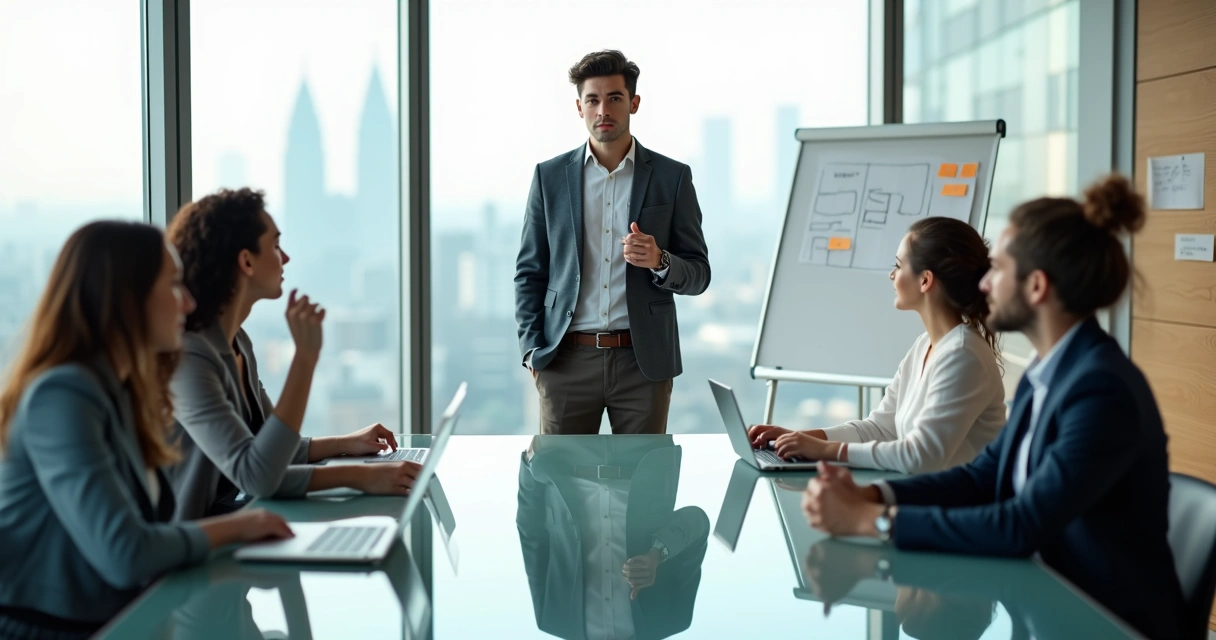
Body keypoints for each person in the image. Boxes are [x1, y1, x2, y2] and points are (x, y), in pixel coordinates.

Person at [799, 175, 1185, 640]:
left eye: (997, 269)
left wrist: (872, 521)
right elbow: (983, 477)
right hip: (1046, 609)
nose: (983, 282)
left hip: (1104, 624)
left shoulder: (1101, 391)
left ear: (1036, 286)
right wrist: (875, 495)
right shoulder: (1050, 372)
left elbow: (1021, 525)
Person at [0, 221, 292, 638]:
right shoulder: (62, 396)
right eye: (173, 285)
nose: (188, 303)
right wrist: (241, 526)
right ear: (125, 300)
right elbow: (126, 553)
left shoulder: (118, 389)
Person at [166, 188, 420, 521]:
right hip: (189, 542)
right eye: (275, 246)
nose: (285, 258)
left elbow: (270, 450)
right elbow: (257, 473)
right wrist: (305, 357)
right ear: (246, 261)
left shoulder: (238, 341)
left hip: (230, 522)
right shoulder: (189, 357)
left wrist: (346, 444)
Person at [515, 49, 711, 435]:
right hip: (565, 362)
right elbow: (529, 272)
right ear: (579, 107)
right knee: (559, 474)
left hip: (643, 364)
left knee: (645, 473)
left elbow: (699, 274)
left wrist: (660, 260)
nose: (603, 110)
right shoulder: (549, 177)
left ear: (634, 103)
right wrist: (532, 351)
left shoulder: (671, 177)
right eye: (592, 100)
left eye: (614, 98)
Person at [749, 217, 1005, 473]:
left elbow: (921, 456)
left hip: (960, 497)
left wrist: (825, 450)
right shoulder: (925, 345)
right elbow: (880, 429)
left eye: (898, 266)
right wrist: (798, 437)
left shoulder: (963, 354)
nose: (892, 275)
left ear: (925, 280)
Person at [517, 435, 709, 639]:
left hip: (564, 456)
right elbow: (697, 522)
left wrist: (529, 464)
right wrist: (657, 555)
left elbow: (531, 533)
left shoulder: (553, 620)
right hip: (642, 454)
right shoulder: (672, 620)